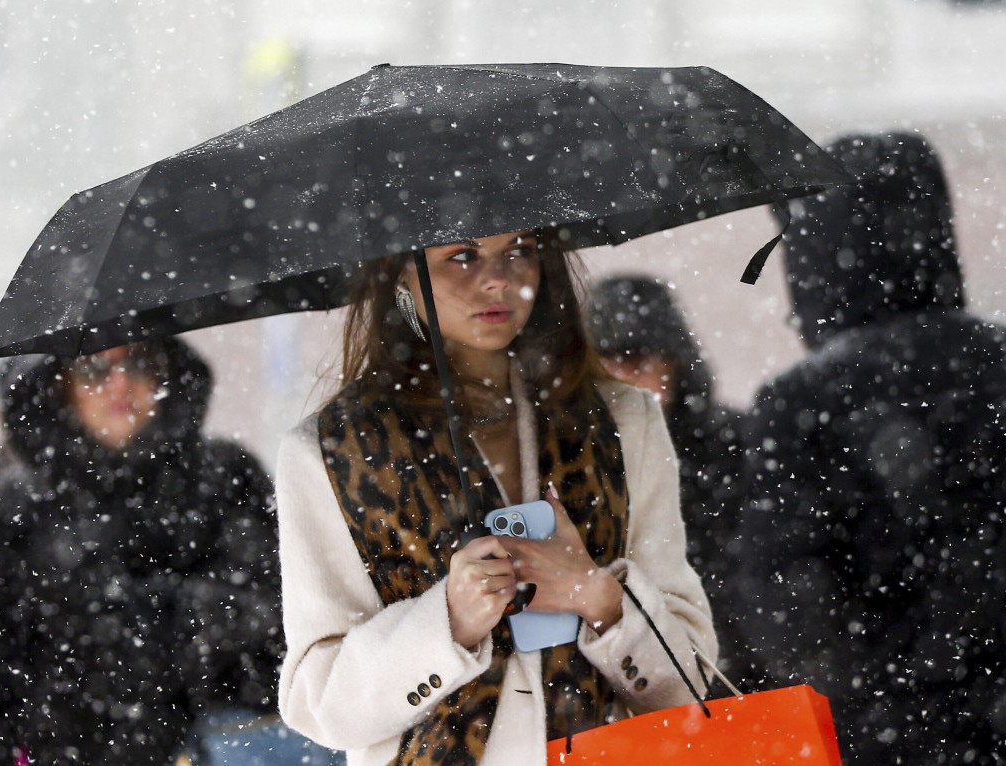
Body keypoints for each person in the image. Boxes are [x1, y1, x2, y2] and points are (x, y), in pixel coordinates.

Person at [737, 131, 1006, 765]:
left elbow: (781, 603)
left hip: (884, 736)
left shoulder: (803, 403)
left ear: (812, 254)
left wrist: (884, 659)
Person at [275, 230, 717, 765]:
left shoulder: (624, 420)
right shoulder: (331, 452)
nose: (497, 279)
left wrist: (600, 599)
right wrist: (447, 622)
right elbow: (320, 704)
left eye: (520, 250)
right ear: (401, 275)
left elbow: (691, 681)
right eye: (461, 256)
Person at [0, 339, 298, 765]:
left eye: (141, 362)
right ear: (59, 384)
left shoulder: (226, 483)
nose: (121, 383)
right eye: (94, 368)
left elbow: (286, 647)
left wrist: (178, 620)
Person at [586, 275, 760, 691]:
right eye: (605, 365)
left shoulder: (738, 443)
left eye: (636, 362)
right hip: (646, 677)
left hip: (744, 666)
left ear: (674, 362)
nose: (623, 380)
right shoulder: (585, 464)